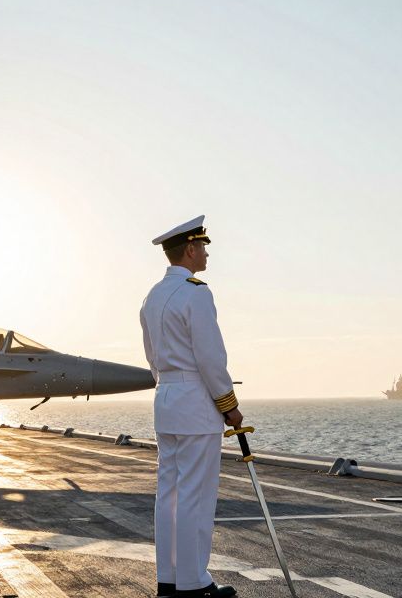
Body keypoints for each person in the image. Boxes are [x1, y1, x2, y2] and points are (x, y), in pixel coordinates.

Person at [140, 215, 241, 598]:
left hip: (166, 400)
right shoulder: (196, 293)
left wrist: (170, 384)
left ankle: (168, 580)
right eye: (203, 247)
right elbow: (210, 358)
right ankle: (194, 583)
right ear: (190, 250)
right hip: (196, 405)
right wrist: (228, 404)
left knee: (168, 496)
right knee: (195, 498)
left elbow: (152, 357)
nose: (206, 254)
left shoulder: (152, 297)